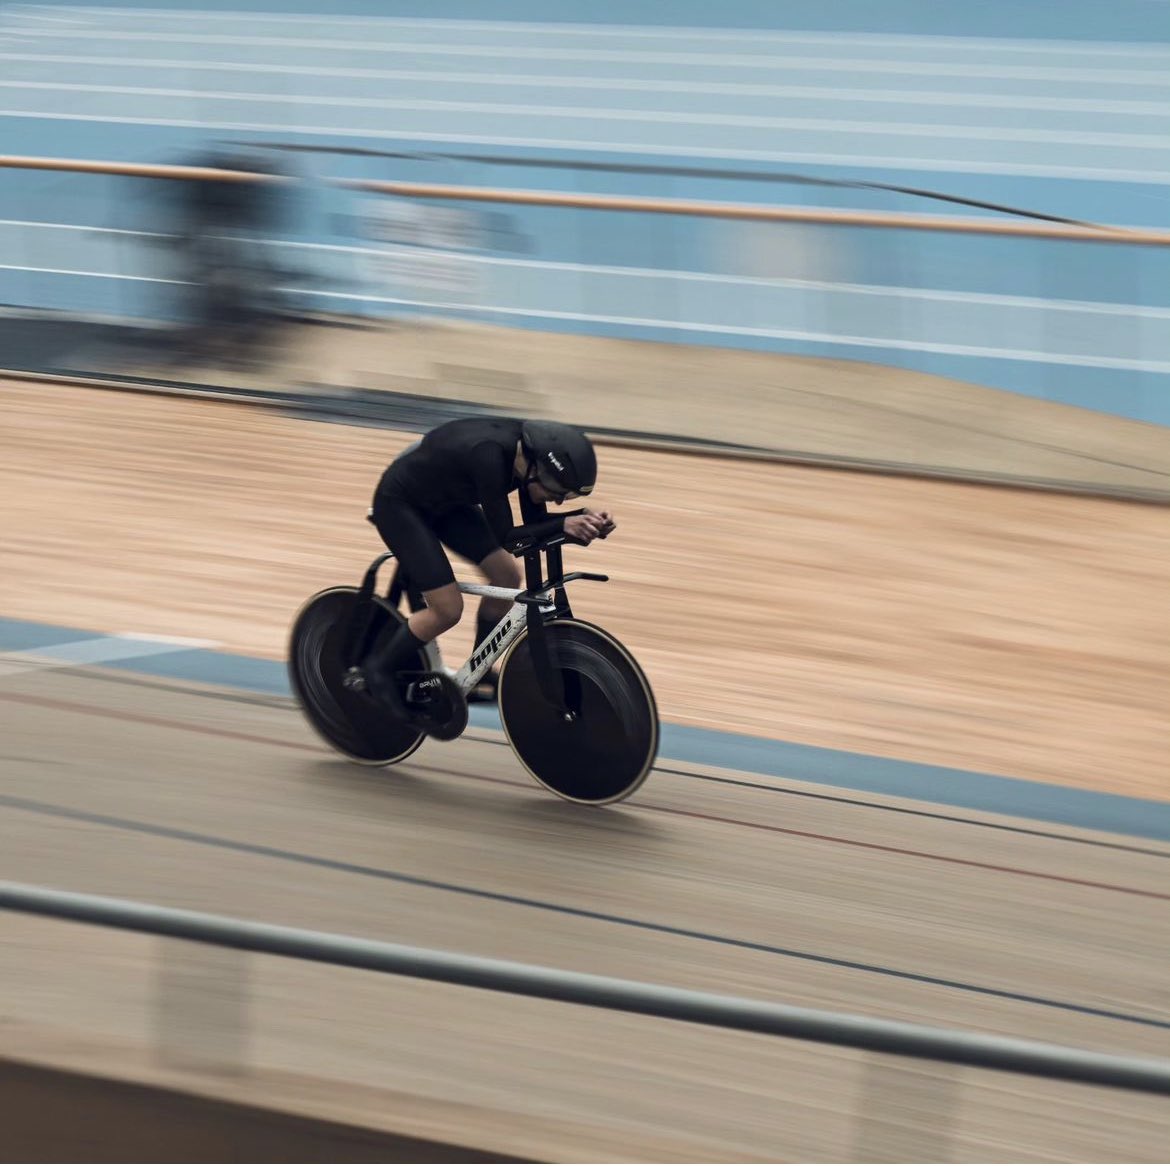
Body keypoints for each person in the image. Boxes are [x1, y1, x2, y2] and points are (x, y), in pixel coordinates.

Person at [364, 417, 615, 723]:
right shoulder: (490, 456)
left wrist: (583, 520)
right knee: (447, 608)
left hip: (446, 503)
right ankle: (378, 671)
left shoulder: (528, 459)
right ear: (537, 467)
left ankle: (477, 671)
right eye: (558, 491)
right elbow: (508, 537)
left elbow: (533, 529)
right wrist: (565, 523)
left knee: (507, 576)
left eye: (568, 497)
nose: (560, 500)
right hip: (400, 505)